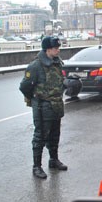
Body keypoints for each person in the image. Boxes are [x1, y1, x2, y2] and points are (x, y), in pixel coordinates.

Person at [19, 36, 67, 179]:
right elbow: (24, 86)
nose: (58, 50)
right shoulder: (36, 65)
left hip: (56, 104)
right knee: (40, 136)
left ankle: (53, 160)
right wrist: (36, 98)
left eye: (58, 47)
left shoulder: (57, 63)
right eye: (55, 48)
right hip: (42, 106)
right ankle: (37, 166)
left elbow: (58, 82)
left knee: (54, 134)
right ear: (47, 49)